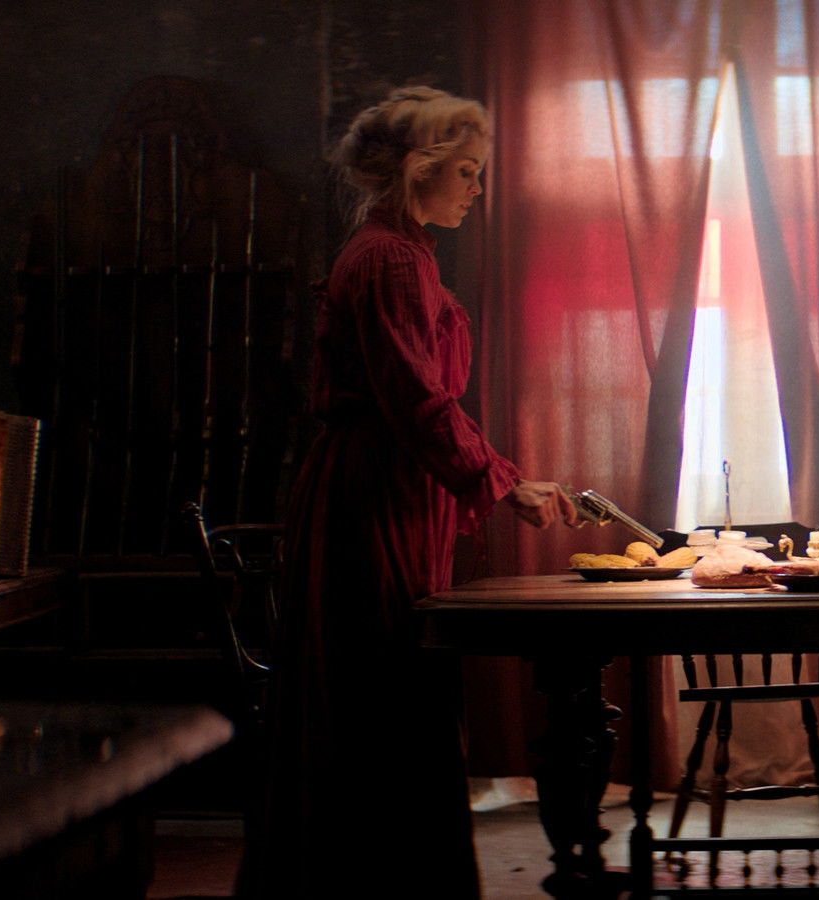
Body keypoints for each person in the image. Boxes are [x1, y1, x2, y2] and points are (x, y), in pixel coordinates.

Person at [239, 86, 577, 899]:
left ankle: (381, 881)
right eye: (466, 171)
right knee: (387, 685)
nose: (477, 188)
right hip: (372, 494)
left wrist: (494, 474)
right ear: (418, 169)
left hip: (389, 484)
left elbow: (419, 398)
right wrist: (502, 482)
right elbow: (416, 398)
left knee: (391, 684)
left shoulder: (400, 251)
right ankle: (387, 887)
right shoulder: (389, 258)